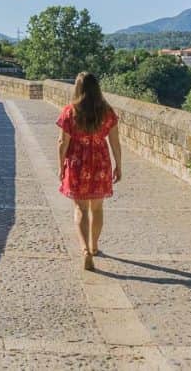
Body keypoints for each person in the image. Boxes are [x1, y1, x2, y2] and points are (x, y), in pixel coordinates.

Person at [56, 72, 122, 271]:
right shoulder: (108, 112)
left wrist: (61, 167)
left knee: (81, 209)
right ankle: (94, 246)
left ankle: (85, 250)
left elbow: (62, 143)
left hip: (77, 164)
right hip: (100, 163)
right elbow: (115, 142)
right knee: (97, 208)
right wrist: (119, 165)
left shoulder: (70, 112)